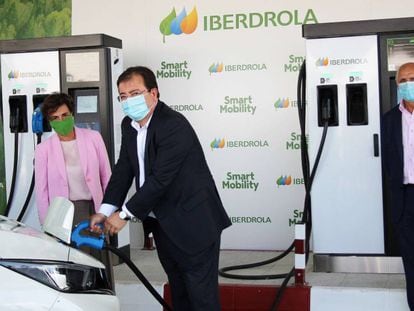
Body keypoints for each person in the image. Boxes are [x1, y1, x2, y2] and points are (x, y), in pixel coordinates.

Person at [90, 66, 231, 311]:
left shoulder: (173, 125)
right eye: (123, 97)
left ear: (154, 93)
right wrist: (105, 210)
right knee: (179, 292)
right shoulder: (129, 125)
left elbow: (160, 179)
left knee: (202, 298)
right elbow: (124, 169)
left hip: (194, 223)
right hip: (164, 224)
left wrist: (123, 214)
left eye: (134, 93)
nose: (128, 101)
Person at [34, 92, 113, 283]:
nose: (60, 121)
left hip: (94, 210)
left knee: (97, 263)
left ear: (72, 114)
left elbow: (107, 176)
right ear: (49, 121)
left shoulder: (93, 138)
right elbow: (41, 190)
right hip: (62, 215)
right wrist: (47, 225)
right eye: (54, 118)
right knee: (72, 268)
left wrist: (108, 211)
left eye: (64, 115)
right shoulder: (43, 149)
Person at [383, 62, 414, 310]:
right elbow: (389, 162)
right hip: (404, 200)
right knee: (412, 263)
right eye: (402, 81)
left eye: (412, 78)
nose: (407, 84)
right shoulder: (390, 119)